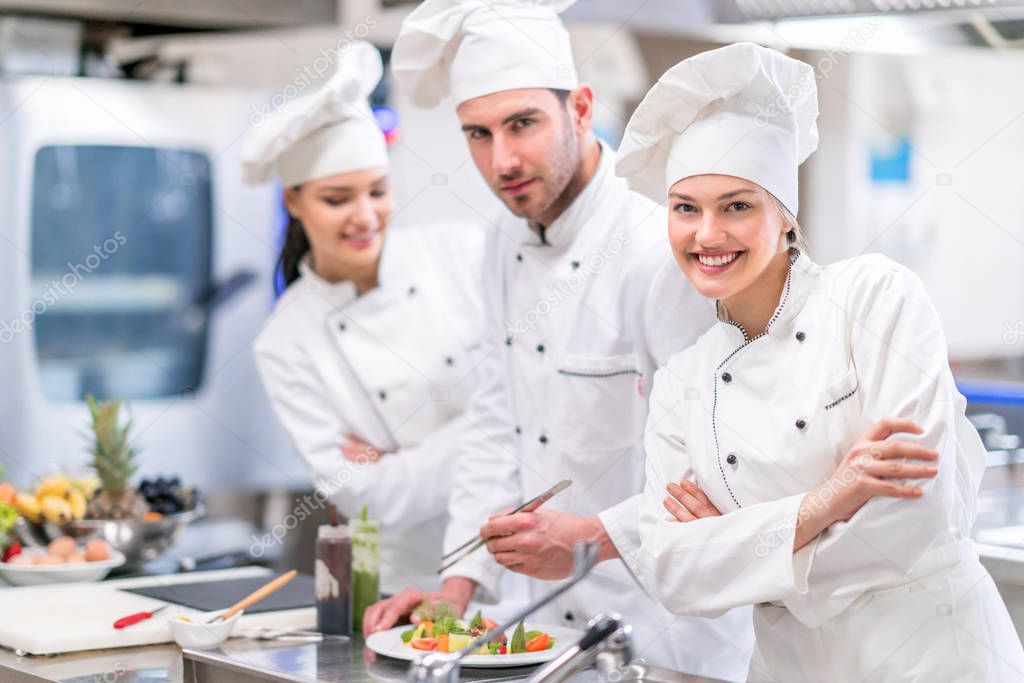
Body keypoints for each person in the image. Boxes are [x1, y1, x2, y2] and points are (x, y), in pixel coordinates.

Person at [362, 3, 754, 680]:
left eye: (522, 124)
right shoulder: (501, 244)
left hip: (665, 639)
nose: (502, 159)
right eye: (477, 134)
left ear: (579, 107)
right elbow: (495, 425)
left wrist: (597, 538)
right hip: (538, 634)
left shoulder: (659, 252)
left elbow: (728, 462)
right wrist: (458, 591)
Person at [616, 42, 1024, 681]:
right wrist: (829, 501)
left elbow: (915, 517)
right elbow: (671, 570)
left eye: (737, 206)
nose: (707, 235)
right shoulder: (683, 380)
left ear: (784, 216)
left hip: (933, 656)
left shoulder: (875, 298)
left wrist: (747, 560)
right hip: (791, 666)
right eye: (685, 208)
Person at [243, 41, 485, 594]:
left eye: (377, 191)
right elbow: (369, 500)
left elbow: (537, 403)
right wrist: (493, 430)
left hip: (522, 553)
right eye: (337, 199)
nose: (364, 216)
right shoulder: (284, 340)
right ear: (294, 202)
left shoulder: (461, 254)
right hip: (413, 579)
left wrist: (403, 461)